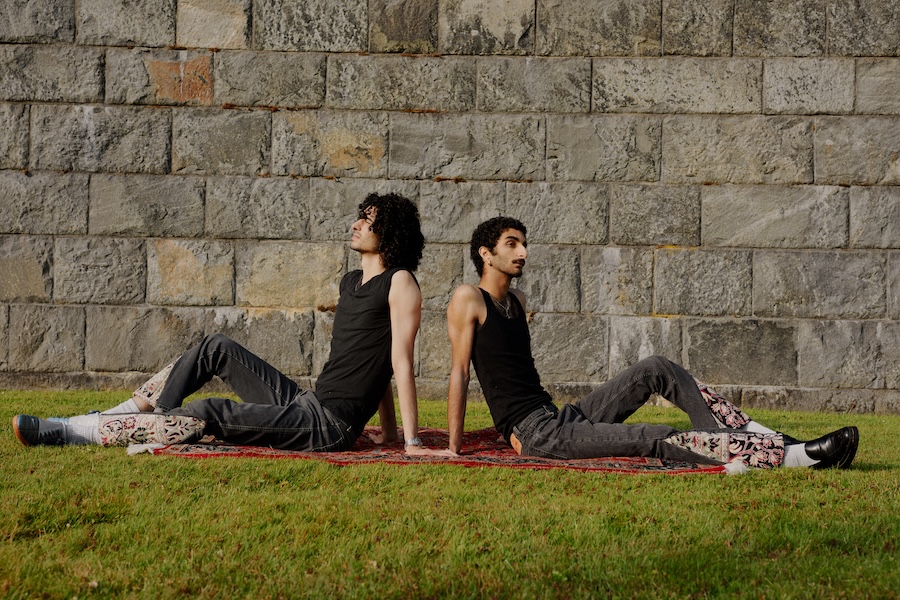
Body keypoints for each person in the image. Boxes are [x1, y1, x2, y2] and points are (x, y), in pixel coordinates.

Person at [13, 193, 436, 455]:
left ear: (389, 232)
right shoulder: (351, 282)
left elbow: (399, 362)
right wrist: (388, 432)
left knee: (207, 411)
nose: (356, 224)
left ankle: (67, 431)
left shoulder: (400, 282)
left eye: (368, 220)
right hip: (307, 403)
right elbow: (374, 362)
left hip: (328, 426)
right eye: (359, 216)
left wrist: (411, 441)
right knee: (216, 347)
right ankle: (143, 417)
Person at [442, 216, 859, 471]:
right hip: (536, 435)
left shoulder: (517, 300)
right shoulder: (468, 298)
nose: (523, 252)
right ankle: (793, 455)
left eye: (524, 243)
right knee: (655, 434)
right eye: (512, 244)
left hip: (558, 417)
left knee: (656, 368)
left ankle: (746, 436)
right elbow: (460, 372)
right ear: (485, 254)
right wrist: (453, 448)